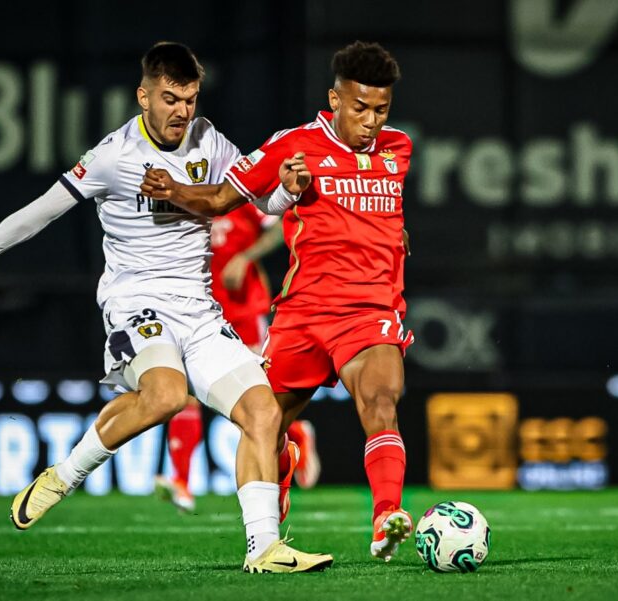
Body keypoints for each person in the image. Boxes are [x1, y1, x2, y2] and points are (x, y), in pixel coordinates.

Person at [0, 41, 331, 574]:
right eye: (169, 99)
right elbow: (37, 213)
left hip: (199, 311)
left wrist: (289, 192)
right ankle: (65, 475)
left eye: (189, 99)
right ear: (143, 96)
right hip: (136, 302)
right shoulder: (113, 155)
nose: (181, 111)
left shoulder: (209, 138)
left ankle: (264, 548)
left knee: (264, 412)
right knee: (163, 395)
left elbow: (262, 203)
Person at [141, 41, 414, 561]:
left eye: (381, 110)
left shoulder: (399, 148)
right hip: (304, 314)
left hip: (370, 313)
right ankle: (277, 486)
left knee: (380, 402)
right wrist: (172, 189)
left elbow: (388, 218)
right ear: (334, 99)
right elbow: (222, 198)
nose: (372, 121)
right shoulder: (295, 146)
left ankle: (385, 518)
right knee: (265, 422)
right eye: (360, 108)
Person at [156, 207, 321, 513]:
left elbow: (282, 226)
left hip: (244, 310)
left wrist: (246, 257)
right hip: (201, 314)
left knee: (259, 397)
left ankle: (296, 433)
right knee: (187, 393)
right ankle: (181, 482)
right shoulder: (187, 195)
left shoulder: (240, 192)